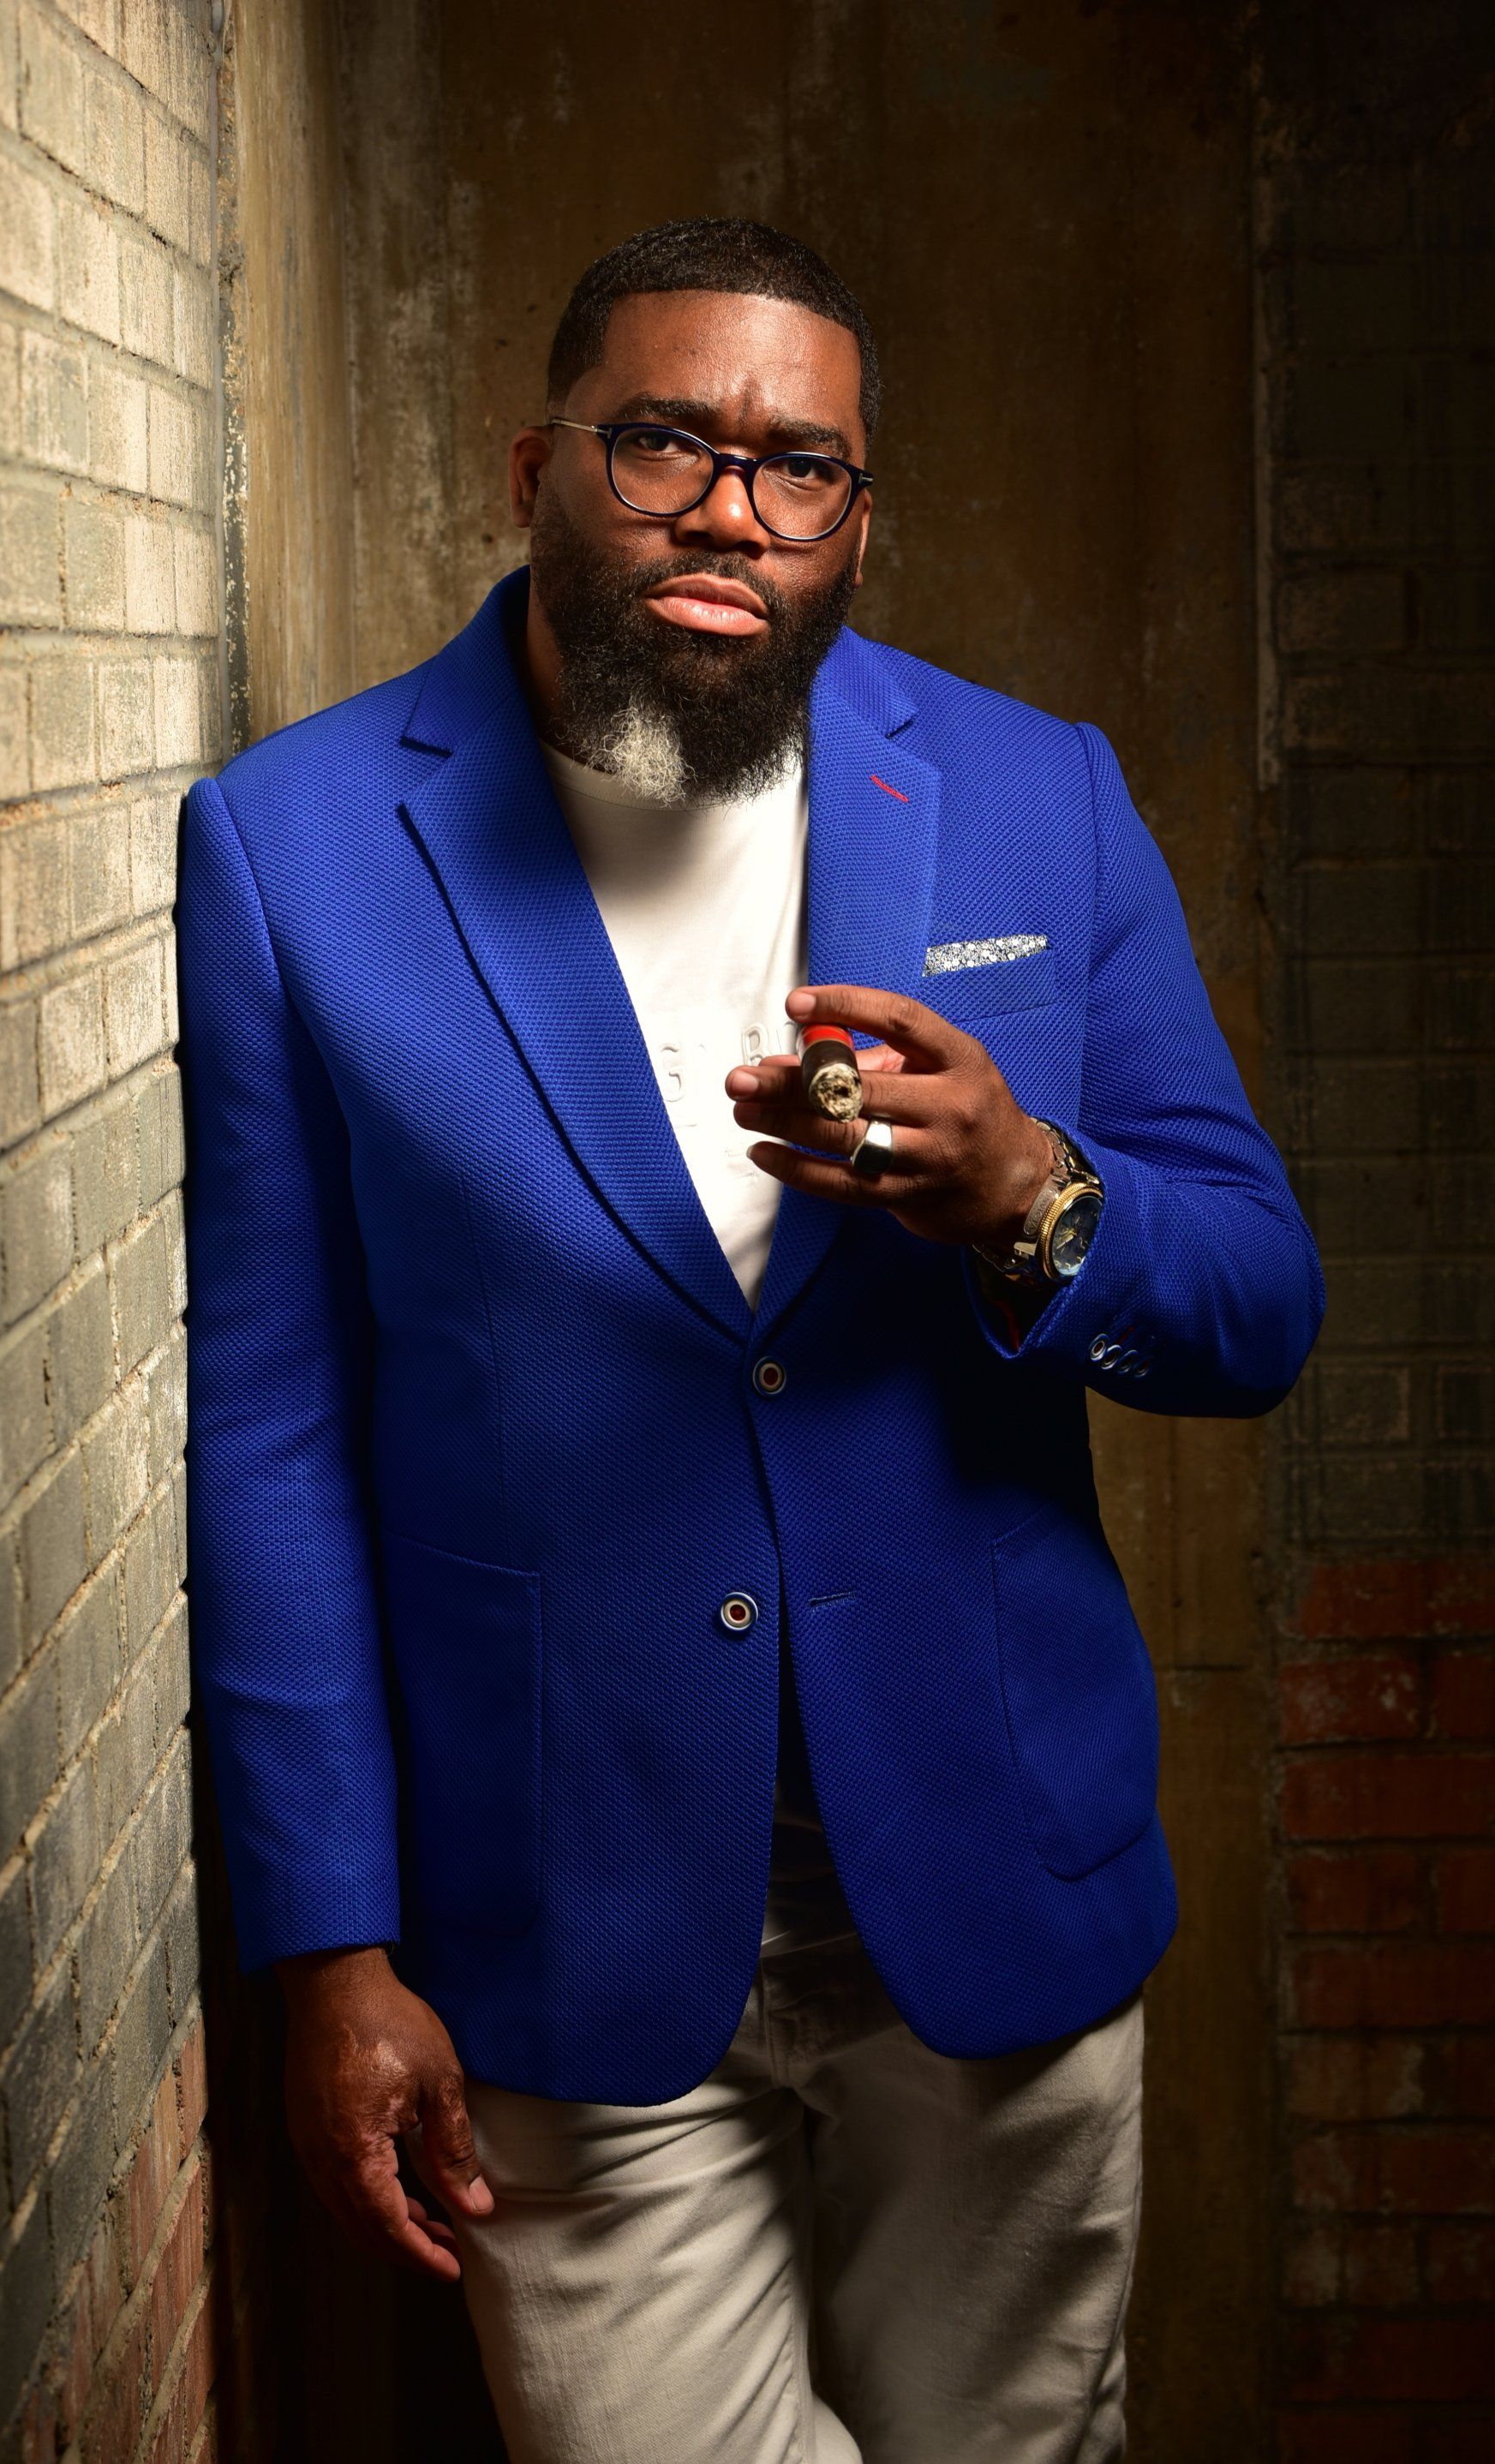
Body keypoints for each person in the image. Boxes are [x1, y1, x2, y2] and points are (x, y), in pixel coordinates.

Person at [178, 218, 1322, 2462]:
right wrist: (330, 1945)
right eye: (666, 441)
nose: (732, 505)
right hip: (564, 1901)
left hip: (992, 1870)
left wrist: (1029, 1193)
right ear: (539, 461)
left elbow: (1256, 1300)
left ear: (859, 518)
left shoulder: (1032, 795)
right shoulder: (296, 846)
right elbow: (276, 1434)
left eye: (799, 467)